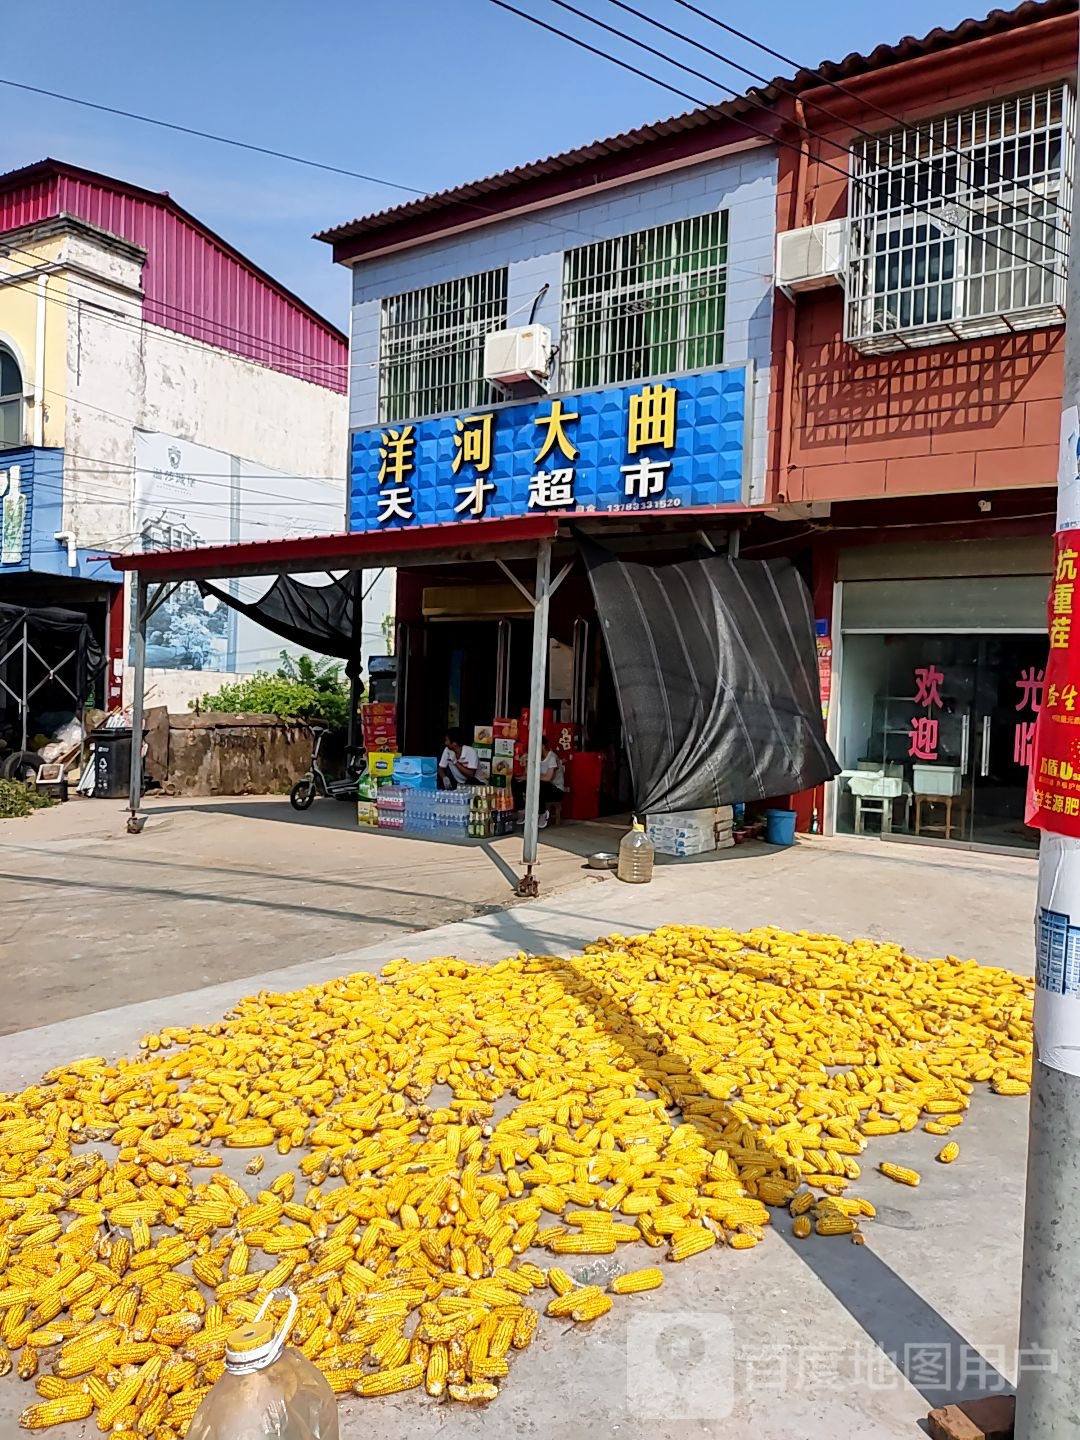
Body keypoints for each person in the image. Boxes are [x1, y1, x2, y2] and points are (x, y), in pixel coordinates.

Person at [513, 734, 566, 828]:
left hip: (555, 790)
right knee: (516, 782)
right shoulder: (534, 756)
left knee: (540, 784)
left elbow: (548, 778)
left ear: (542, 746)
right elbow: (526, 775)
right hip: (540, 786)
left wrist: (532, 777)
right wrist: (526, 764)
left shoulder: (552, 757)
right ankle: (522, 809)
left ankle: (542, 813)